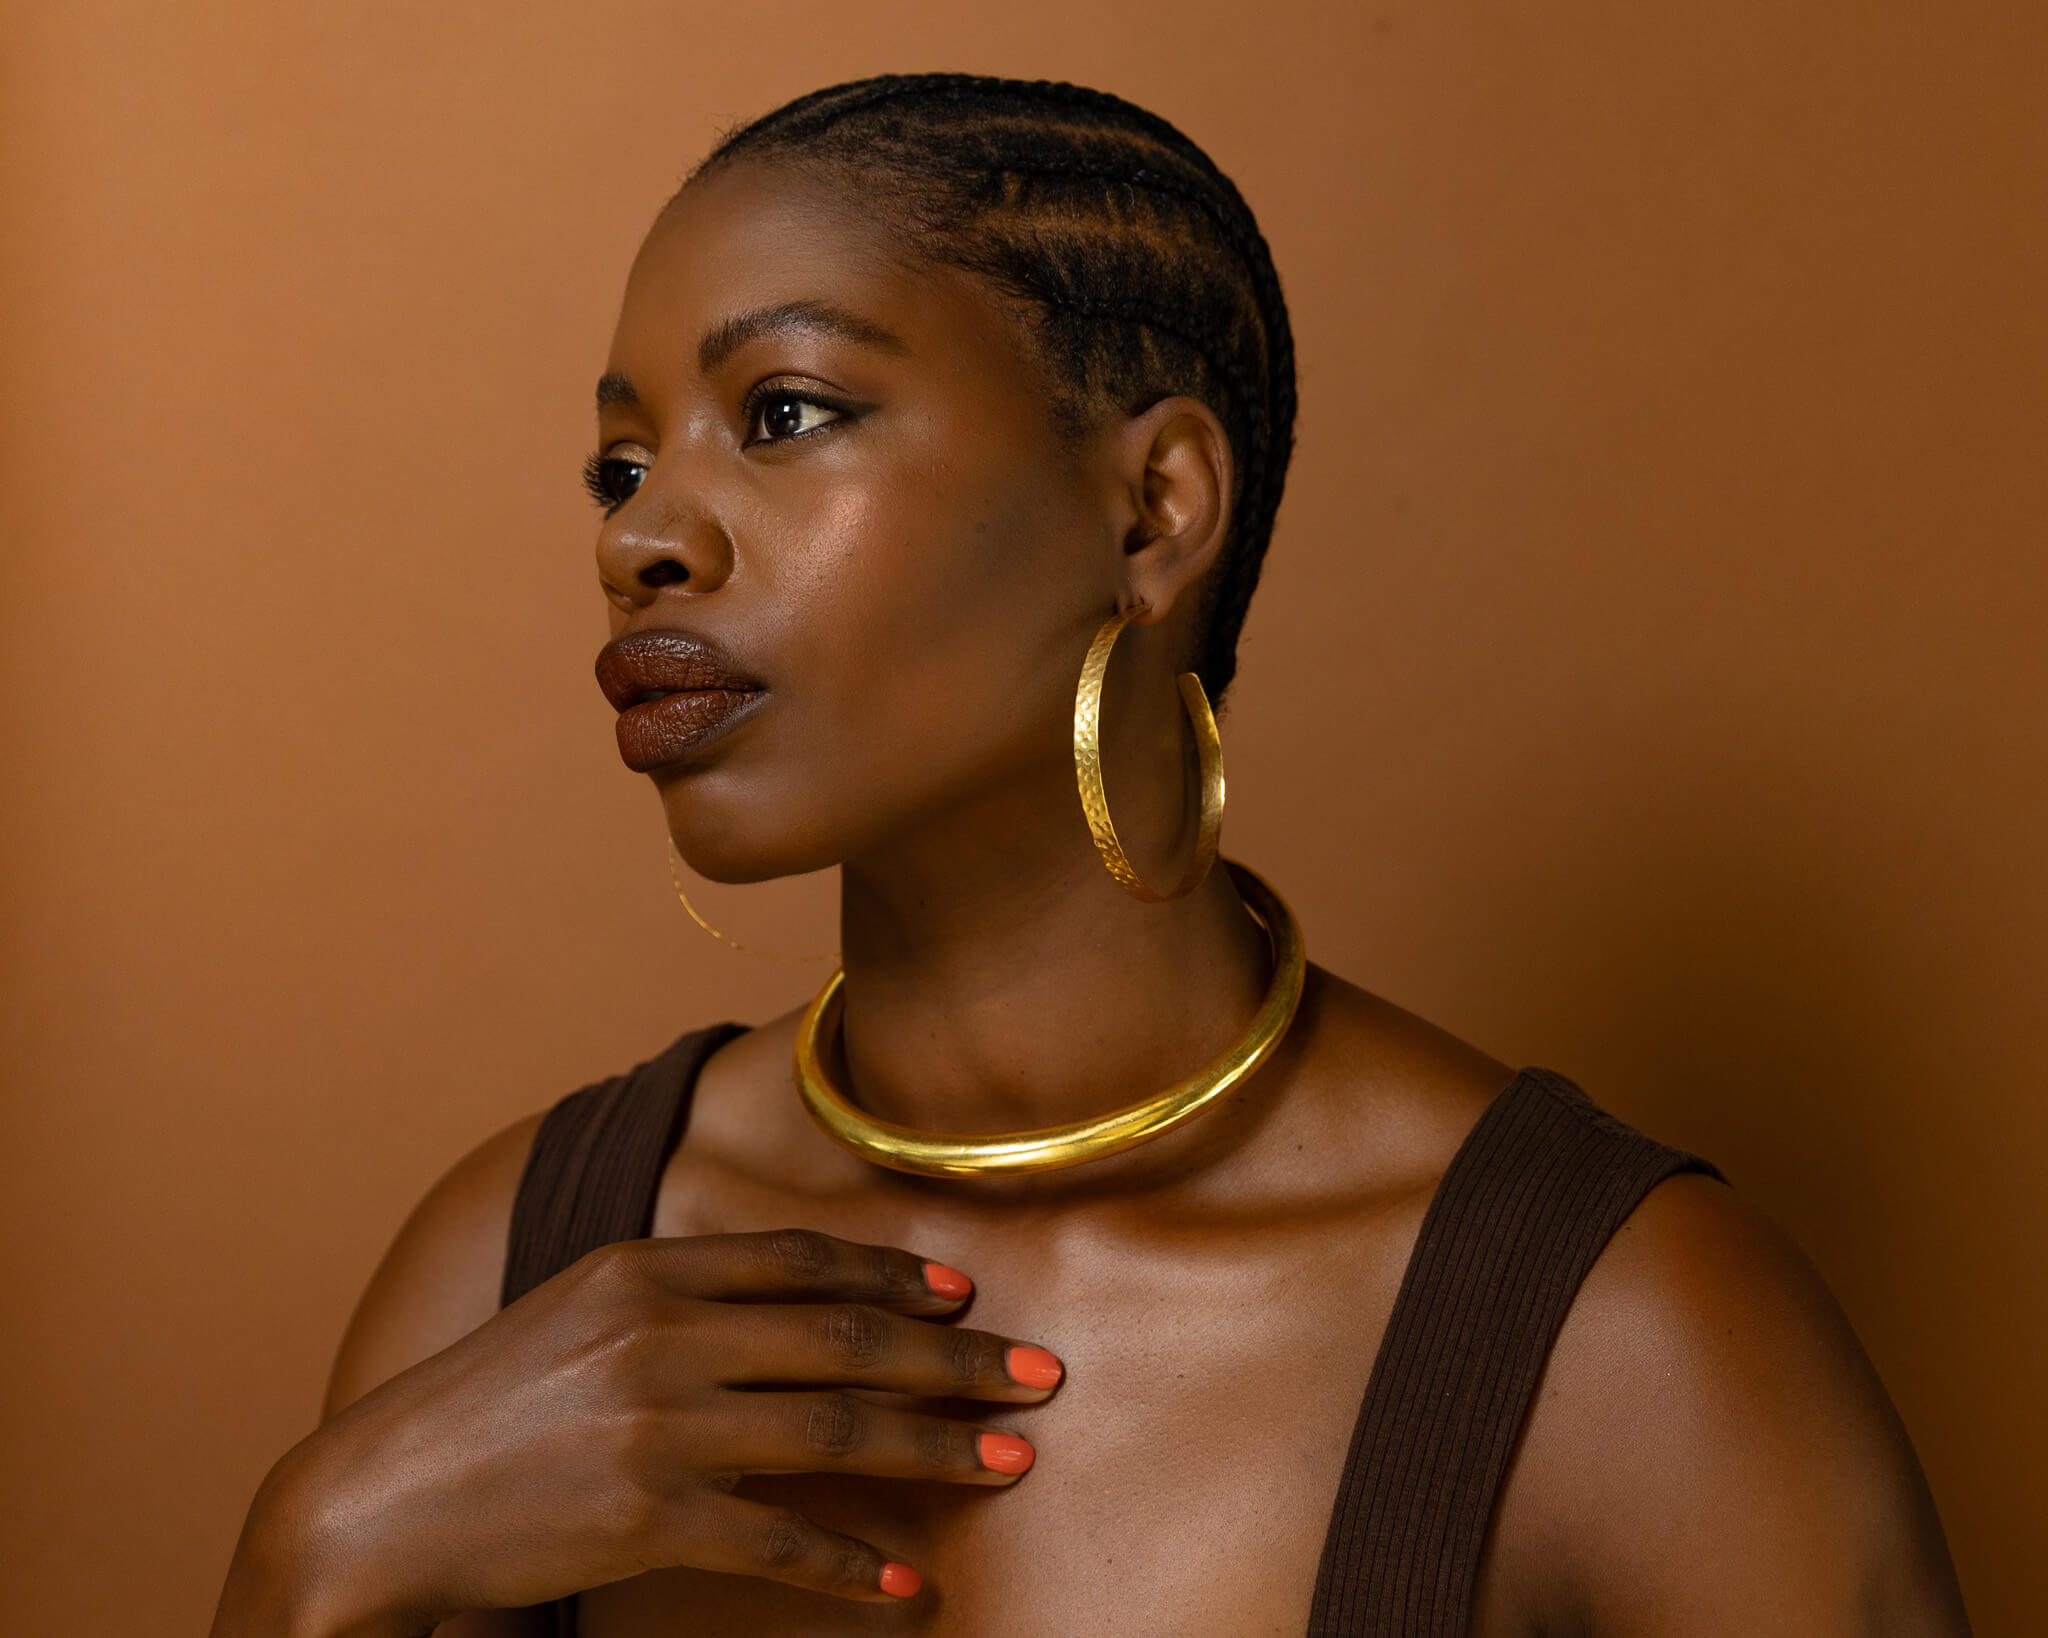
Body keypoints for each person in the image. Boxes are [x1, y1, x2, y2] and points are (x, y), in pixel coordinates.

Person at [209, 75, 1969, 1637]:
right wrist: (313, 1559)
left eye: (787, 411)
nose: (646, 535)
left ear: (1153, 511)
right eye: (616, 463)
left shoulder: (1624, 1339)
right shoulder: (515, 1269)